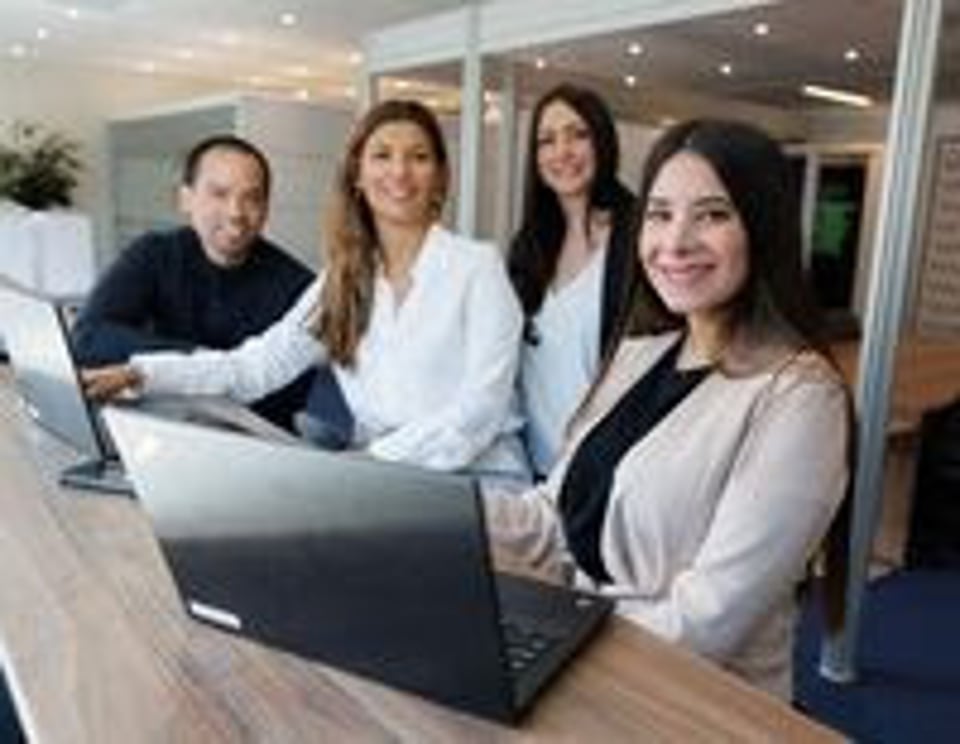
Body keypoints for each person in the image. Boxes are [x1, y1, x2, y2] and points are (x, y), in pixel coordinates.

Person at [485, 118, 851, 699]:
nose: (675, 242)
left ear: (761, 228)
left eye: (712, 214)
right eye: (659, 214)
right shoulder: (641, 352)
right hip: (590, 658)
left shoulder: (800, 397)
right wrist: (438, 515)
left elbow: (709, 620)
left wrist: (561, 641)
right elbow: (554, 517)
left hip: (687, 698)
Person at [83, 100, 529, 481]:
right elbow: (254, 367)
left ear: (440, 176)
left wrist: (367, 463)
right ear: (357, 173)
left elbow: (479, 411)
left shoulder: (478, 269)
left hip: (478, 478)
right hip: (382, 481)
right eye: (382, 155)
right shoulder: (343, 278)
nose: (399, 171)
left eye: (418, 157)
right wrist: (142, 373)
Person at [71, 134, 316, 431]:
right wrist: (202, 362)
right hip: (153, 425)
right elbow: (88, 337)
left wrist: (174, 371)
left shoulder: (298, 286)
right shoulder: (153, 254)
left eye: (253, 198)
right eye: (220, 194)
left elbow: (286, 396)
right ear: (185, 199)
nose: (236, 212)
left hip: (249, 442)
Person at [508, 83, 637, 477]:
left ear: (603, 141)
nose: (561, 151)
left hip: (608, 472)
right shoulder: (528, 246)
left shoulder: (638, 238)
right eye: (546, 140)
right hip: (537, 470)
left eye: (578, 134)